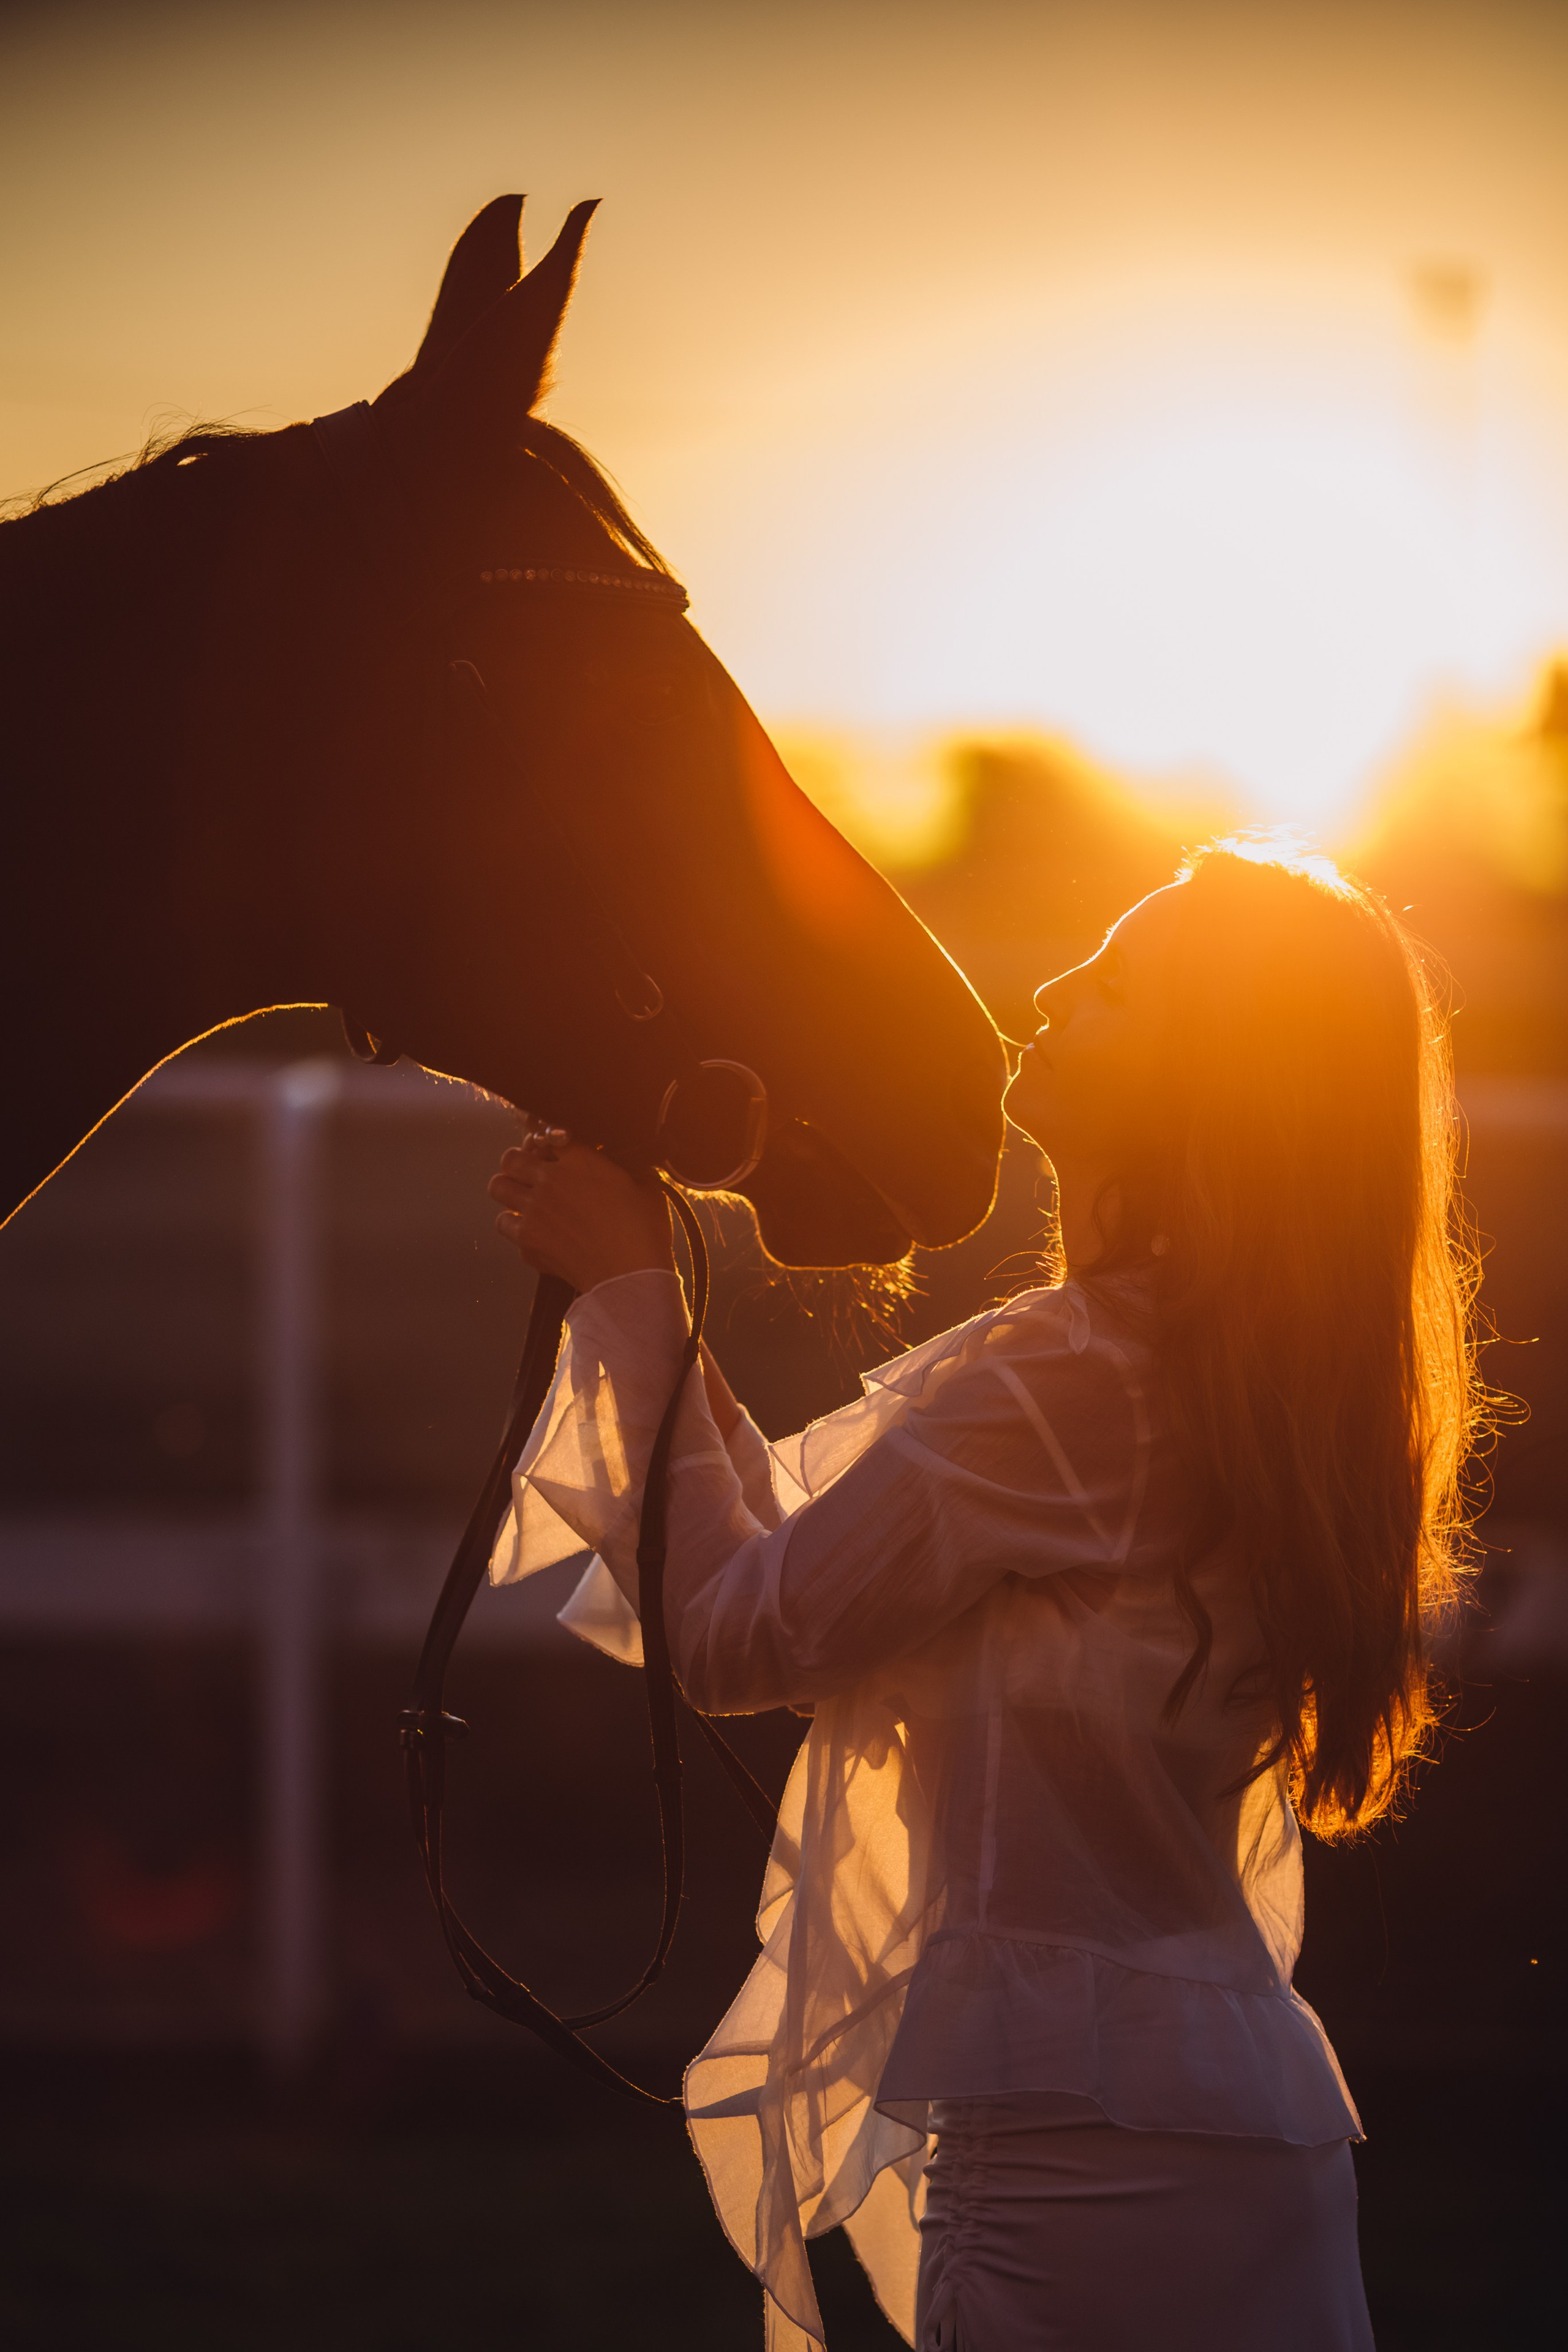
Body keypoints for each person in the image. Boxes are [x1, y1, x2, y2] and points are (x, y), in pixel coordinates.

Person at [485, 837, 1482, 2352]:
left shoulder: (1074, 1375)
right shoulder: (1226, 1381)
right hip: (1235, 2123)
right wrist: (657, 1309)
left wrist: (630, 1301)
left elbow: (740, 1633)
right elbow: (808, 1585)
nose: (1053, 988)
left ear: (1206, 1078)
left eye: (1119, 984)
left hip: (1076, 2164)